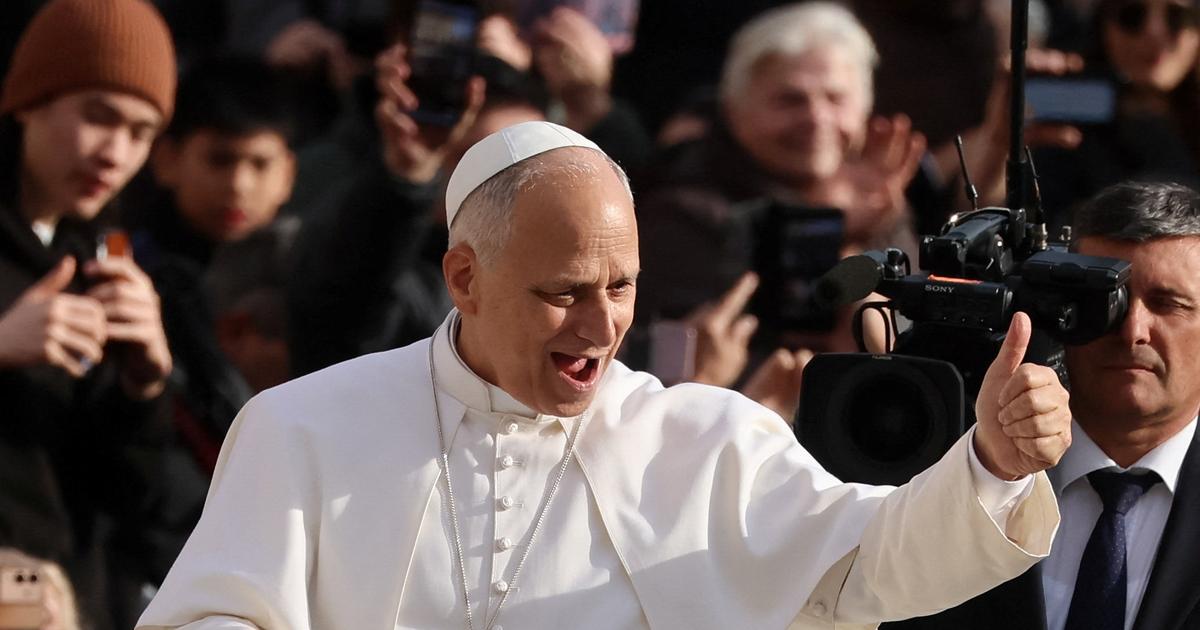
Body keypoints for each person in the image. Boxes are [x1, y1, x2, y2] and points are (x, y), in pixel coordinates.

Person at [139, 120, 1071, 629]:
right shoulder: (302, 428)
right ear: (464, 277)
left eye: (621, 286)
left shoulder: (706, 440)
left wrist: (987, 458)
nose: (602, 325)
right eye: (563, 292)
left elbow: (873, 569)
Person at [886, 181, 1200, 630]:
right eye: (1108, 299)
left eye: (1168, 304)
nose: (1133, 331)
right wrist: (990, 470)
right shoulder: (959, 470)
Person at [0, 0, 176, 627]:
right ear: (30, 101)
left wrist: (146, 383)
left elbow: (133, 494)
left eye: (141, 132)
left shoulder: (110, 259)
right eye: (98, 116)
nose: (116, 152)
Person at [634, 2, 926, 375]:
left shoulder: (876, 196)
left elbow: (917, 339)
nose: (817, 119)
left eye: (836, 98)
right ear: (734, 108)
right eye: (791, 100)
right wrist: (825, 231)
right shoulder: (686, 214)